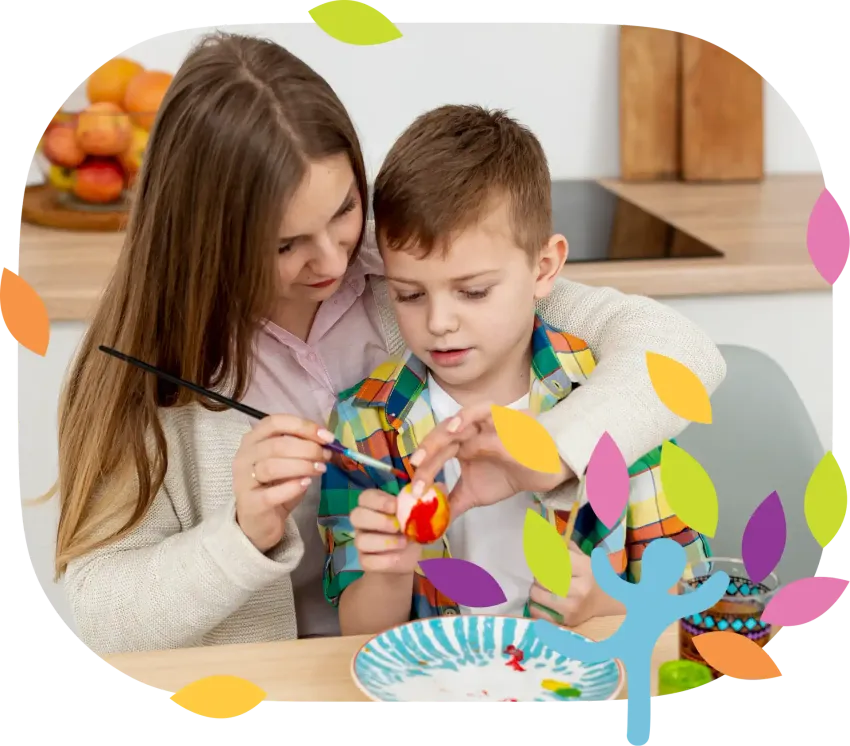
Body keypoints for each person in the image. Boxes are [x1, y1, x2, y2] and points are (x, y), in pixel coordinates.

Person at [46, 32, 725, 656]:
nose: (332, 258)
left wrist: (550, 452)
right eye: (285, 244)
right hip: (287, 681)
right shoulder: (154, 365)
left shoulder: (408, 267)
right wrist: (241, 533)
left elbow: (679, 351)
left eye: (344, 208)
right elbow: (98, 613)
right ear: (211, 239)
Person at [319, 105, 712, 636]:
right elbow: (359, 634)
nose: (439, 323)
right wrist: (390, 570)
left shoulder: (614, 398)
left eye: (474, 291)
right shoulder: (361, 423)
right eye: (409, 295)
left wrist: (598, 599)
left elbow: (688, 586)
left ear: (544, 268)